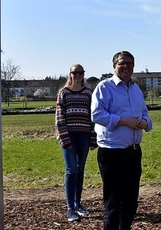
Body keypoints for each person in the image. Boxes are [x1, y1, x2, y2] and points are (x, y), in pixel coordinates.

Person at [91, 51, 153, 230]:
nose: (126, 66)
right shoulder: (104, 87)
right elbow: (96, 114)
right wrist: (124, 120)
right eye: (122, 63)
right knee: (113, 201)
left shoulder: (136, 89)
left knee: (131, 200)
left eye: (130, 63)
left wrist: (144, 122)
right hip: (112, 151)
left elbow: (145, 114)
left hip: (133, 151)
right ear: (114, 66)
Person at [55, 63, 96, 222]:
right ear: (70, 74)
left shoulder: (88, 93)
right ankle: (70, 208)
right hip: (69, 135)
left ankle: (78, 203)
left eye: (80, 73)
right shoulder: (63, 93)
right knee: (71, 170)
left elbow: (93, 117)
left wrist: (93, 138)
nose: (78, 75)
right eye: (75, 73)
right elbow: (59, 117)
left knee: (80, 170)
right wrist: (64, 138)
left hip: (84, 135)